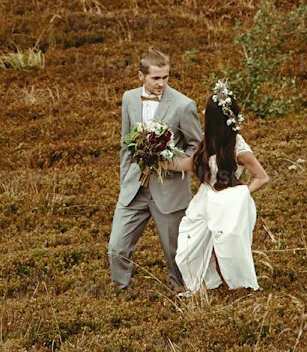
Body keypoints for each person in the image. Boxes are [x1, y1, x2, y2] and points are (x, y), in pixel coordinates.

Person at [108, 49, 203, 292]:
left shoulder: (184, 105)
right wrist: (124, 181)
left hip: (170, 190)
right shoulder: (129, 99)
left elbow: (197, 146)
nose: (161, 83)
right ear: (141, 76)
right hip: (134, 188)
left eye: (166, 78)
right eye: (155, 78)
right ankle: (120, 289)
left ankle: (182, 293)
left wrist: (172, 161)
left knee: (175, 251)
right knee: (117, 246)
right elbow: (124, 144)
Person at [175, 79, 269, 293]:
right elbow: (188, 164)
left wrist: (240, 194)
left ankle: (234, 288)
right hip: (206, 199)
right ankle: (207, 284)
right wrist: (159, 159)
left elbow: (262, 177)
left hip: (228, 203)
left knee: (226, 248)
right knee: (188, 248)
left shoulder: (238, 148)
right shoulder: (207, 142)